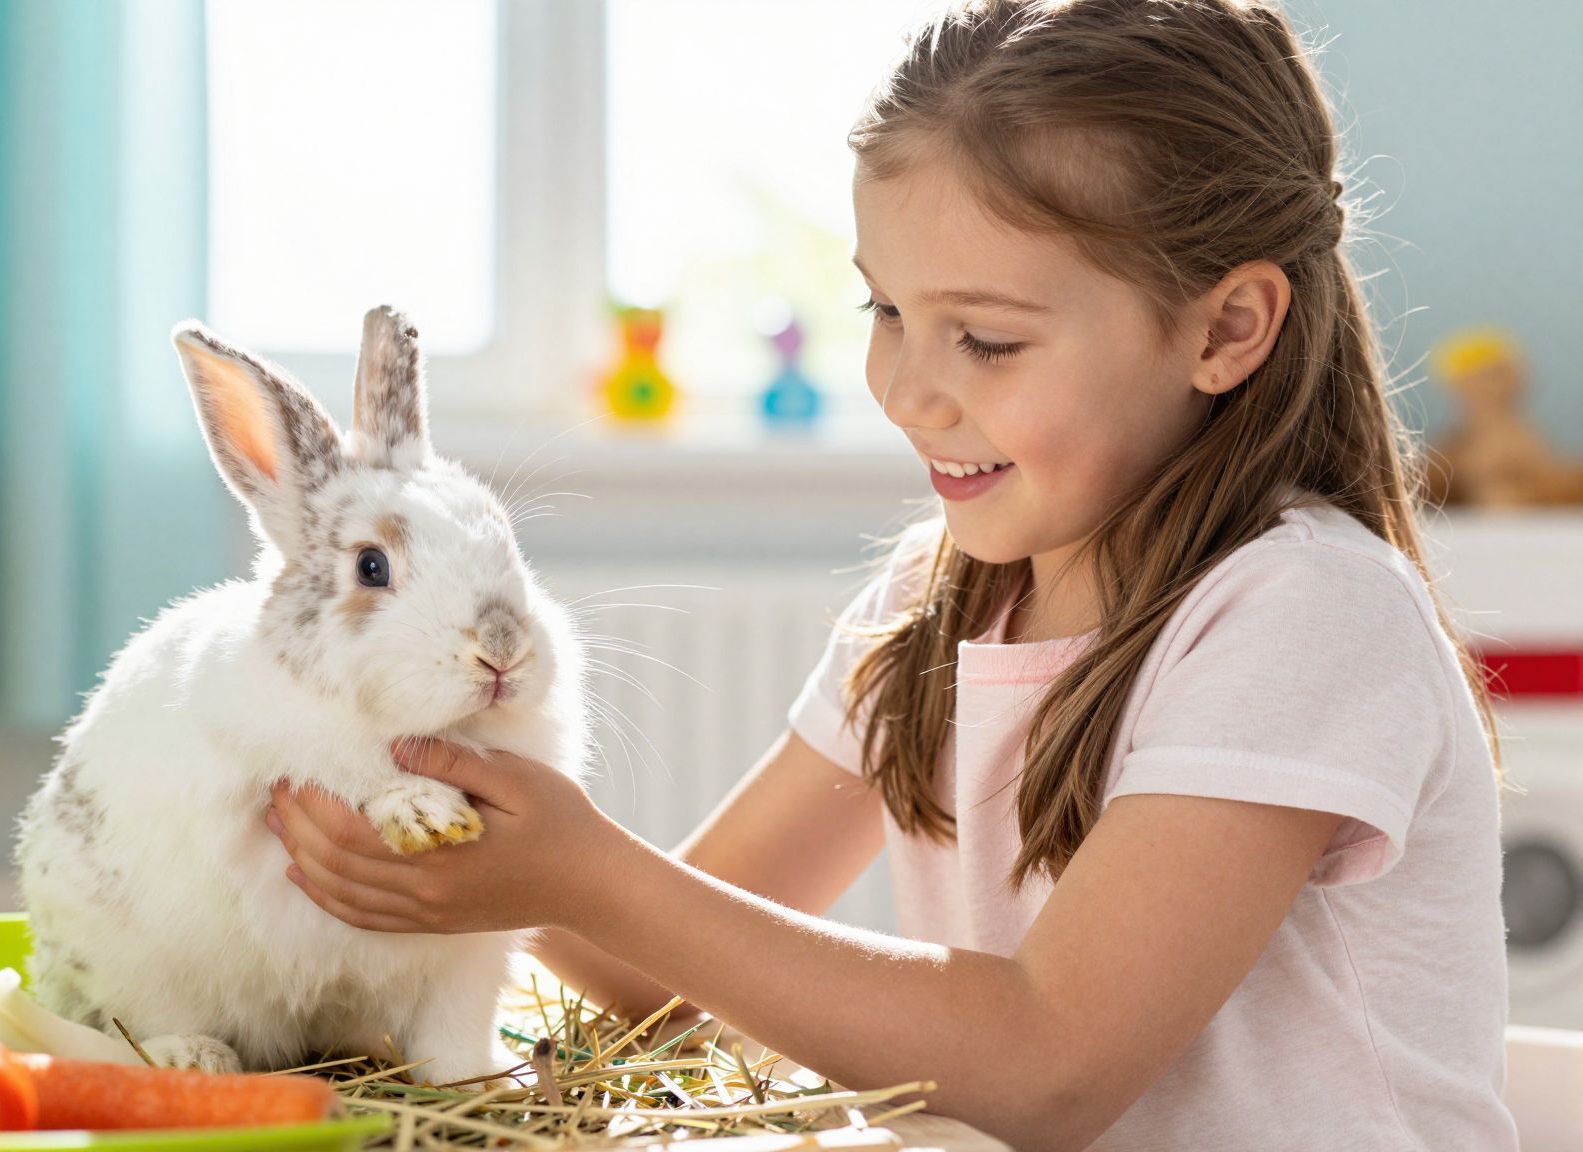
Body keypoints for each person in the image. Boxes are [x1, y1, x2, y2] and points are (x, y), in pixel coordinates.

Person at [266, 1, 1516, 1146]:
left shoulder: (1301, 612)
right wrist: (423, 843)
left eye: (983, 338)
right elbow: (659, 981)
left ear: (1223, 328)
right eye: (884, 313)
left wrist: (586, 872)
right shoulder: (938, 604)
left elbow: (1047, 1058)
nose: (906, 391)